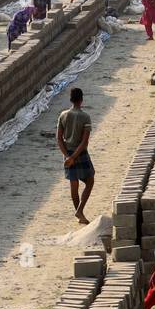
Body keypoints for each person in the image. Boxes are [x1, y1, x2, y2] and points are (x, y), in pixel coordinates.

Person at [57, 87, 95, 225]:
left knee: (74, 185)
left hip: (67, 153)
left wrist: (67, 156)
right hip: (80, 154)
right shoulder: (85, 117)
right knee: (90, 181)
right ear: (81, 99)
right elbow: (84, 142)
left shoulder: (63, 115)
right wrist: (74, 157)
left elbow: (59, 139)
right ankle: (80, 211)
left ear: (71, 99)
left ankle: (80, 215)